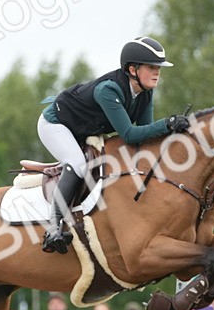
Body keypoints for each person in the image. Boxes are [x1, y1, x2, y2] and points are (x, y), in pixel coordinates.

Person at [36, 36, 190, 253]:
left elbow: (144, 134)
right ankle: (54, 227)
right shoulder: (108, 90)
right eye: (152, 67)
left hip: (84, 128)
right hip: (56, 124)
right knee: (78, 163)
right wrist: (167, 124)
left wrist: (173, 132)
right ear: (132, 69)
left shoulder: (145, 92)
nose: (157, 72)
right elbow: (129, 134)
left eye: (159, 68)